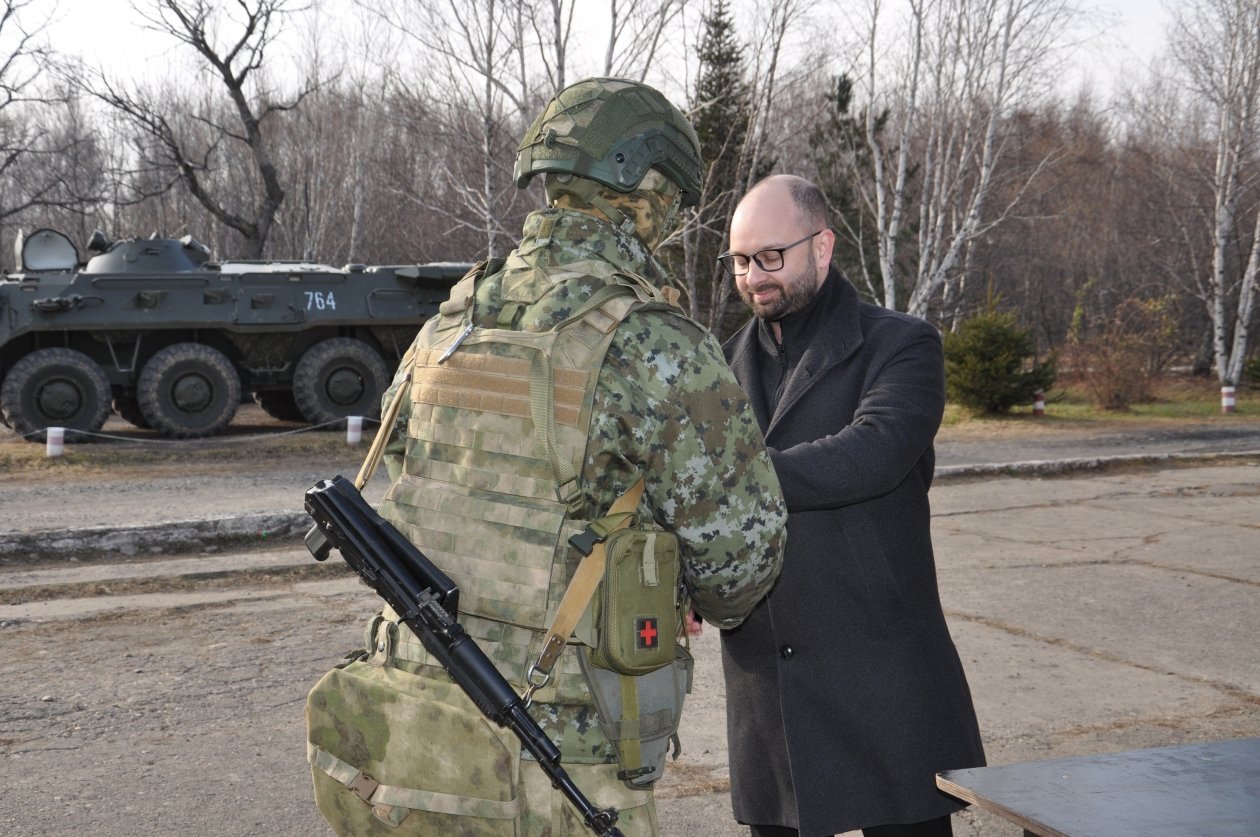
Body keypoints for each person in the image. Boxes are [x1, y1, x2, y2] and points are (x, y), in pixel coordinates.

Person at [308, 78, 786, 836]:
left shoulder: (454, 319)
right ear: (649, 187)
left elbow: (403, 491)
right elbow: (741, 560)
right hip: (563, 747)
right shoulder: (649, 338)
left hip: (417, 724)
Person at [718, 174, 986, 837]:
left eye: (770, 256)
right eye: (741, 261)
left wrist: (732, 479)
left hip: (881, 678)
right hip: (768, 684)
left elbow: (874, 450)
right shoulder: (721, 363)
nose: (755, 277)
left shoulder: (901, 343)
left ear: (823, 245)